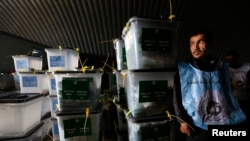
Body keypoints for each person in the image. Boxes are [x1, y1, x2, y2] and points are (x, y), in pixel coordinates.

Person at [173, 30, 246, 141]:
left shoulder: (221, 68)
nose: (195, 47)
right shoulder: (184, 69)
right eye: (191, 44)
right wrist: (183, 121)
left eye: (200, 42)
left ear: (210, 44)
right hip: (196, 125)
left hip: (221, 122)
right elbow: (176, 97)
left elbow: (228, 93)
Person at [224, 50, 250, 127]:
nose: (230, 62)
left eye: (232, 59)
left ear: (238, 58)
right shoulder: (225, 70)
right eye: (228, 60)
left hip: (246, 100)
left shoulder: (247, 68)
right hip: (232, 102)